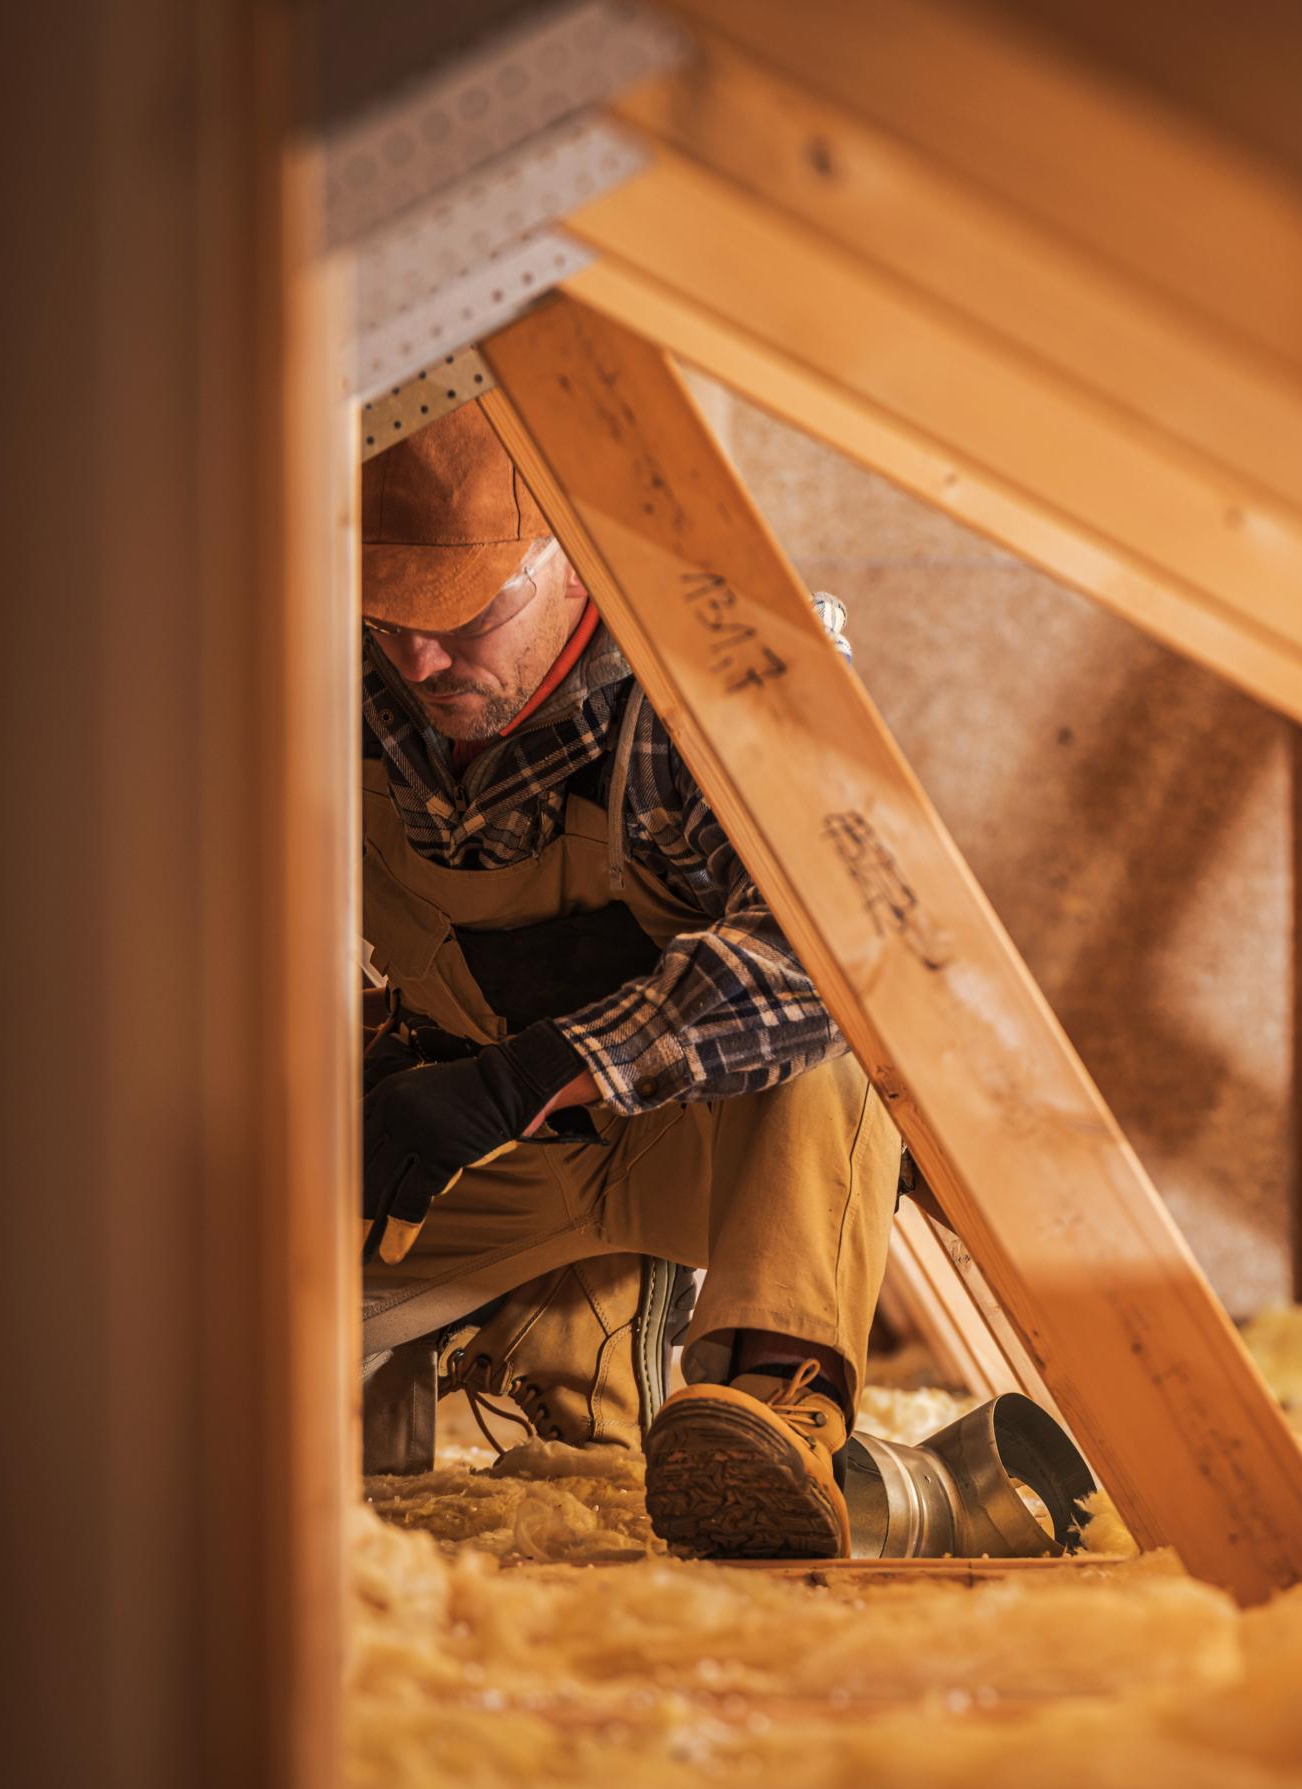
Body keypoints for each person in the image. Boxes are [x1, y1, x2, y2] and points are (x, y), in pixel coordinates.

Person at [354, 402, 898, 1558]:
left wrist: (533, 1074)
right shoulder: (345, 678)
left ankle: (768, 1400)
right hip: (472, 1147)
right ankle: (578, 1331)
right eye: (390, 619)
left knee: (837, 1026)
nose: (420, 660)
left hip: (708, 1146)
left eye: (464, 619)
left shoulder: (713, 668)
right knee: (186, 1353)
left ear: (567, 556)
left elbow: (842, 940)